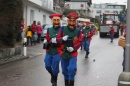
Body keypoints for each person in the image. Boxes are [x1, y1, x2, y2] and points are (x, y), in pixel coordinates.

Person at [56, 12, 82, 86]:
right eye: (70, 21)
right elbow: (57, 39)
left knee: (72, 69)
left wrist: (73, 48)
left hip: (72, 54)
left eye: (73, 21)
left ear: (75, 22)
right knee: (64, 71)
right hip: (63, 53)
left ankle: (71, 84)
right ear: (68, 21)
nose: (71, 22)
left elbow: (80, 42)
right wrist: (62, 39)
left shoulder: (78, 31)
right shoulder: (62, 29)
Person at [43, 13, 62, 86]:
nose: (56, 21)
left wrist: (57, 40)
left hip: (57, 51)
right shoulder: (49, 29)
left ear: (59, 21)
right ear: (52, 21)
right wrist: (45, 40)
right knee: (47, 65)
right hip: (49, 50)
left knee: (55, 66)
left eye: (58, 20)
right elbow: (47, 38)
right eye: (55, 20)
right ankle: (52, 75)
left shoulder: (62, 29)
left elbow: (64, 39)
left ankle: (54, 80)